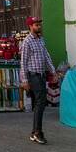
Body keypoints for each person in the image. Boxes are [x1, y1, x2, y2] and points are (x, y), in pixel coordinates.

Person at [19, 16, 55, 144]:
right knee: (40, 102)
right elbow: (23, 62)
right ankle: (37, 132)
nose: (39, 26)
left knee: (40, 103)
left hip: (41, 75)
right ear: (30, 26)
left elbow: (46, 56)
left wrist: (53, 71)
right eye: (36, 25)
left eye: (39, 24)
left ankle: (35, 131)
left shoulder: (41, 40)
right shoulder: (27, 42)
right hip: (33, 76)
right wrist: (24, 80)